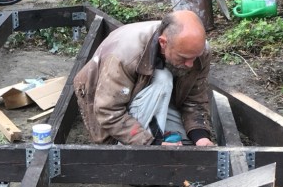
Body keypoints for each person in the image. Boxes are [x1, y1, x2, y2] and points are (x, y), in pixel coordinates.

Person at [74, 10, 216, 146]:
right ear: (163, 43)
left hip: (152, 95)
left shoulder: (198, 51)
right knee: (163, 79)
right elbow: (108, 111)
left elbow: (194, 100)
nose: (190, 64)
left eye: (194, 57)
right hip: (102, 100)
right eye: (183, 58)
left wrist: (201, 137)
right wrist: (152, 143)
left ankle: (156, 132)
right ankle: (139, 142)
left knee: (184, 143)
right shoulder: (125, 56)